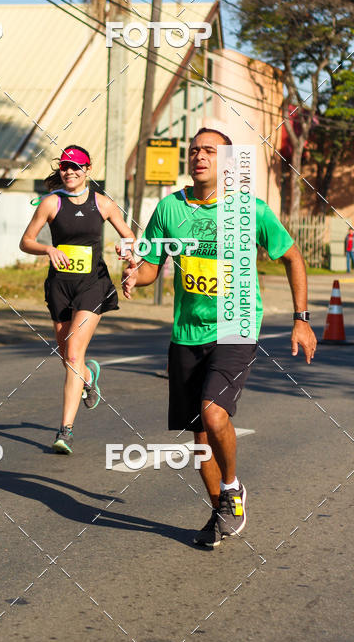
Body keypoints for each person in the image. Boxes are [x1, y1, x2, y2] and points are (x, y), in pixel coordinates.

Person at [120, 128, 317, 548]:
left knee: (212, 413)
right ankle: (220, 512)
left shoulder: (251, 210)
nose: (199, 156)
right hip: (186, 332)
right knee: (198, 438)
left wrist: (301, 318)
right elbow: (154, 264)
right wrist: (137, 273)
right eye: (194, 150)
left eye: (210, 151)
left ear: (226, 162)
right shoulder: (169, 209)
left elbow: (292, 256)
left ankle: (232, 487)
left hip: (235, 325)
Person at [20, 145, 134, 454]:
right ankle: (89, 376)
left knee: (72, 354)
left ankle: (65, 431)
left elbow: (129, 237)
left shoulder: (103, 203)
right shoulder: (51, 204)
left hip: (92, 285)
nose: (70, 172)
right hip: (59, 286)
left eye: (76, 167)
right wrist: (48, 250)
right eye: (65, 167)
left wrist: (125, 254)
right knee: (67, 357)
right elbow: (26, 242)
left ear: (88, 170)